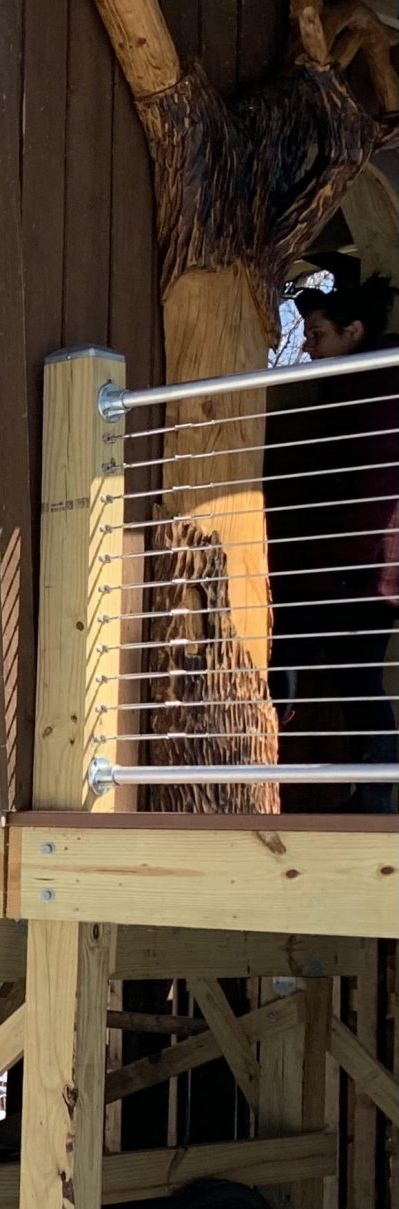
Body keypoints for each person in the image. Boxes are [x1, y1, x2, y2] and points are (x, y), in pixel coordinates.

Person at [265, 273, 399, 813]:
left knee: (284, 661)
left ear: (354, 331)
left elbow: (362, 484)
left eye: (318, 333)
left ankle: (252, 767)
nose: (306, 344)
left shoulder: (373, 390)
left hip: (350, 570)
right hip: (367, 574)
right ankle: (372, 799)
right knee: (356, 681)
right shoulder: (368, 385)